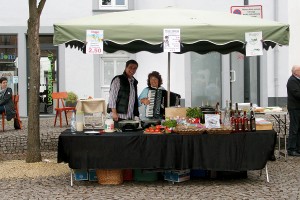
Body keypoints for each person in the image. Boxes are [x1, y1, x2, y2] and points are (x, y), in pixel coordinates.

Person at [108, 60, 139, 127]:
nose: (132, 70)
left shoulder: (134, 82)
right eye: (130, 67)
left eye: (135, 68)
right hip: (118, 116)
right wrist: (114, 113)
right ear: (125, 67)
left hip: (130, 117)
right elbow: (112, 97)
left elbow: (134, 99)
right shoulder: (118, 79)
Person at [287, 65, 300, 156]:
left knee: (298, 129)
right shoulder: (292, 81)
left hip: (298, 108)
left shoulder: (297, 80)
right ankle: (291, 149)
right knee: (294, 129)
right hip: (295, 108)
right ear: (295, 71)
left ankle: (297, 148)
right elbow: (297, 94)